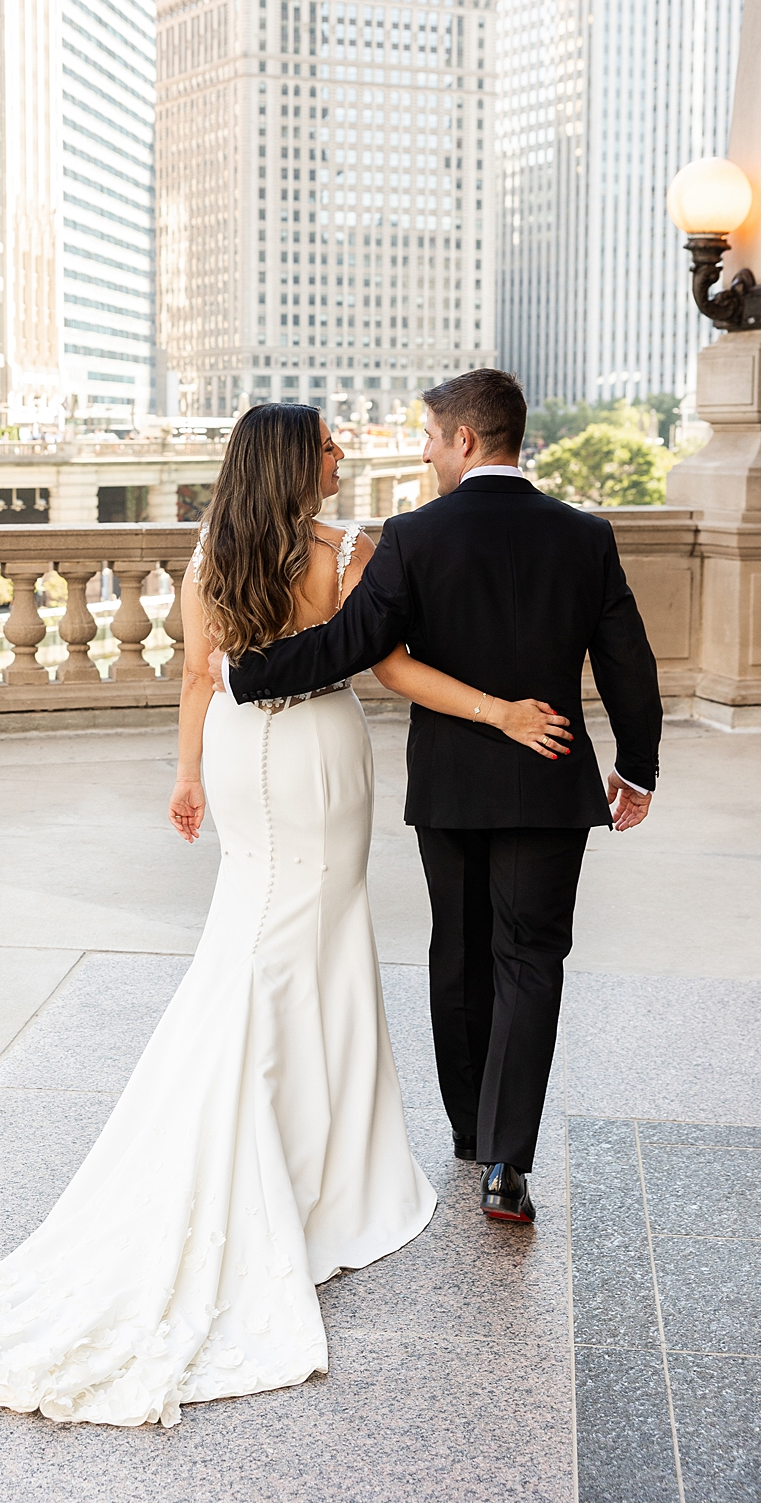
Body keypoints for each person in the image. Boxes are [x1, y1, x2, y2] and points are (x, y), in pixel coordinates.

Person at [0, 400, 576, 1427]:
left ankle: (278, 1128)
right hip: (314, 754)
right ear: (296, 464)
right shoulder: (353, 549)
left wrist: (187, 775)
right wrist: (495, 708)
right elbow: (387, 665)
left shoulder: (213, 551)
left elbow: (194, 677)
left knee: (258, 934)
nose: (344, 453)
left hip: (239, 746)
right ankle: (314, 1159)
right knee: (308, 939)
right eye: (328, 445)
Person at [215, 372, 662, 1227]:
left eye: (428, 436)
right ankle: (505, 1161)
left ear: (464, 440)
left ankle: (467, 1130)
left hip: (452, 786)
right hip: (550, 777)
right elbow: (627, 664)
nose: (421, 450)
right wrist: (634, 768)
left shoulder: (414, 535)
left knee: (457, 953)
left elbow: (352, 645)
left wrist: (249, 673)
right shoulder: (585, 535)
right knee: (530, 963)